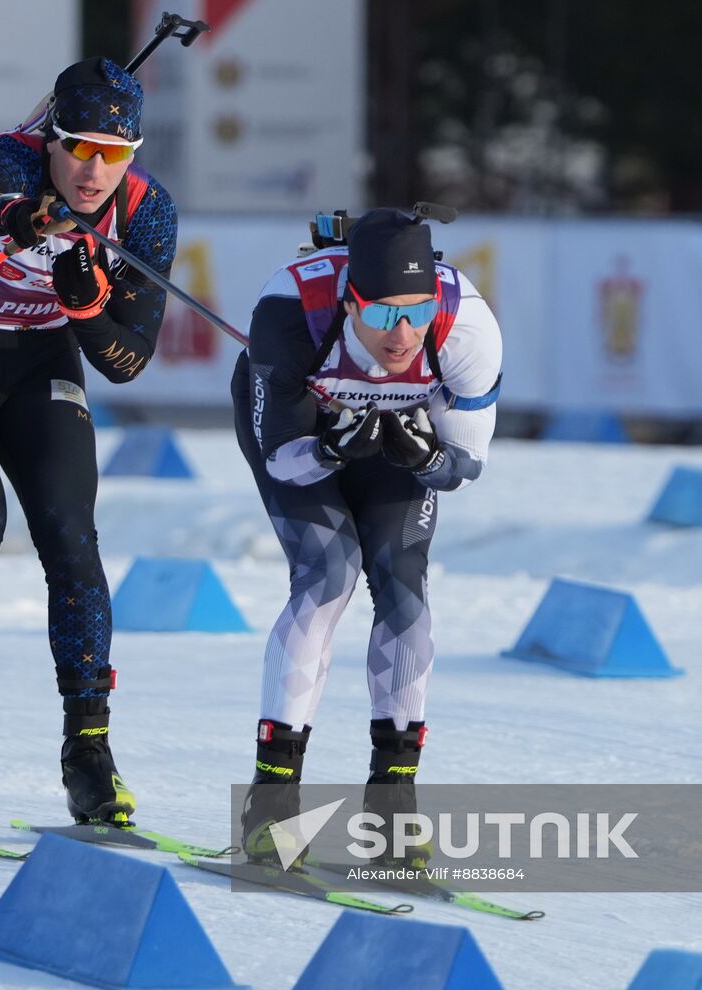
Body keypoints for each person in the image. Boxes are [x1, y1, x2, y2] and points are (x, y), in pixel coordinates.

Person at [0, 57, 177, 829]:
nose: (93, 169)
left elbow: (127, 361)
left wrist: (85, 310)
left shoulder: (146, 212)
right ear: (51, 138)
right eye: (79, 146)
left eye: (114, 153)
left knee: (71, 535)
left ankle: (90, 758)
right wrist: (18, 217)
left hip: (41, 351)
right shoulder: (10, 160)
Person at [229, 207, 502, 866]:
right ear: (350, 302)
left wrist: (425, 458)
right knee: (329, 574)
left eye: (415, 311)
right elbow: (283, 459)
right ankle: (273, 801)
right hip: (306, 442)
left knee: (403, 586)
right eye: (380, 315)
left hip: (398, 445)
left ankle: (393, 802)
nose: (402, 333)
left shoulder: (466, 329)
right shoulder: (291, 310)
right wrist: (330, 446)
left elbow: (466, 466)